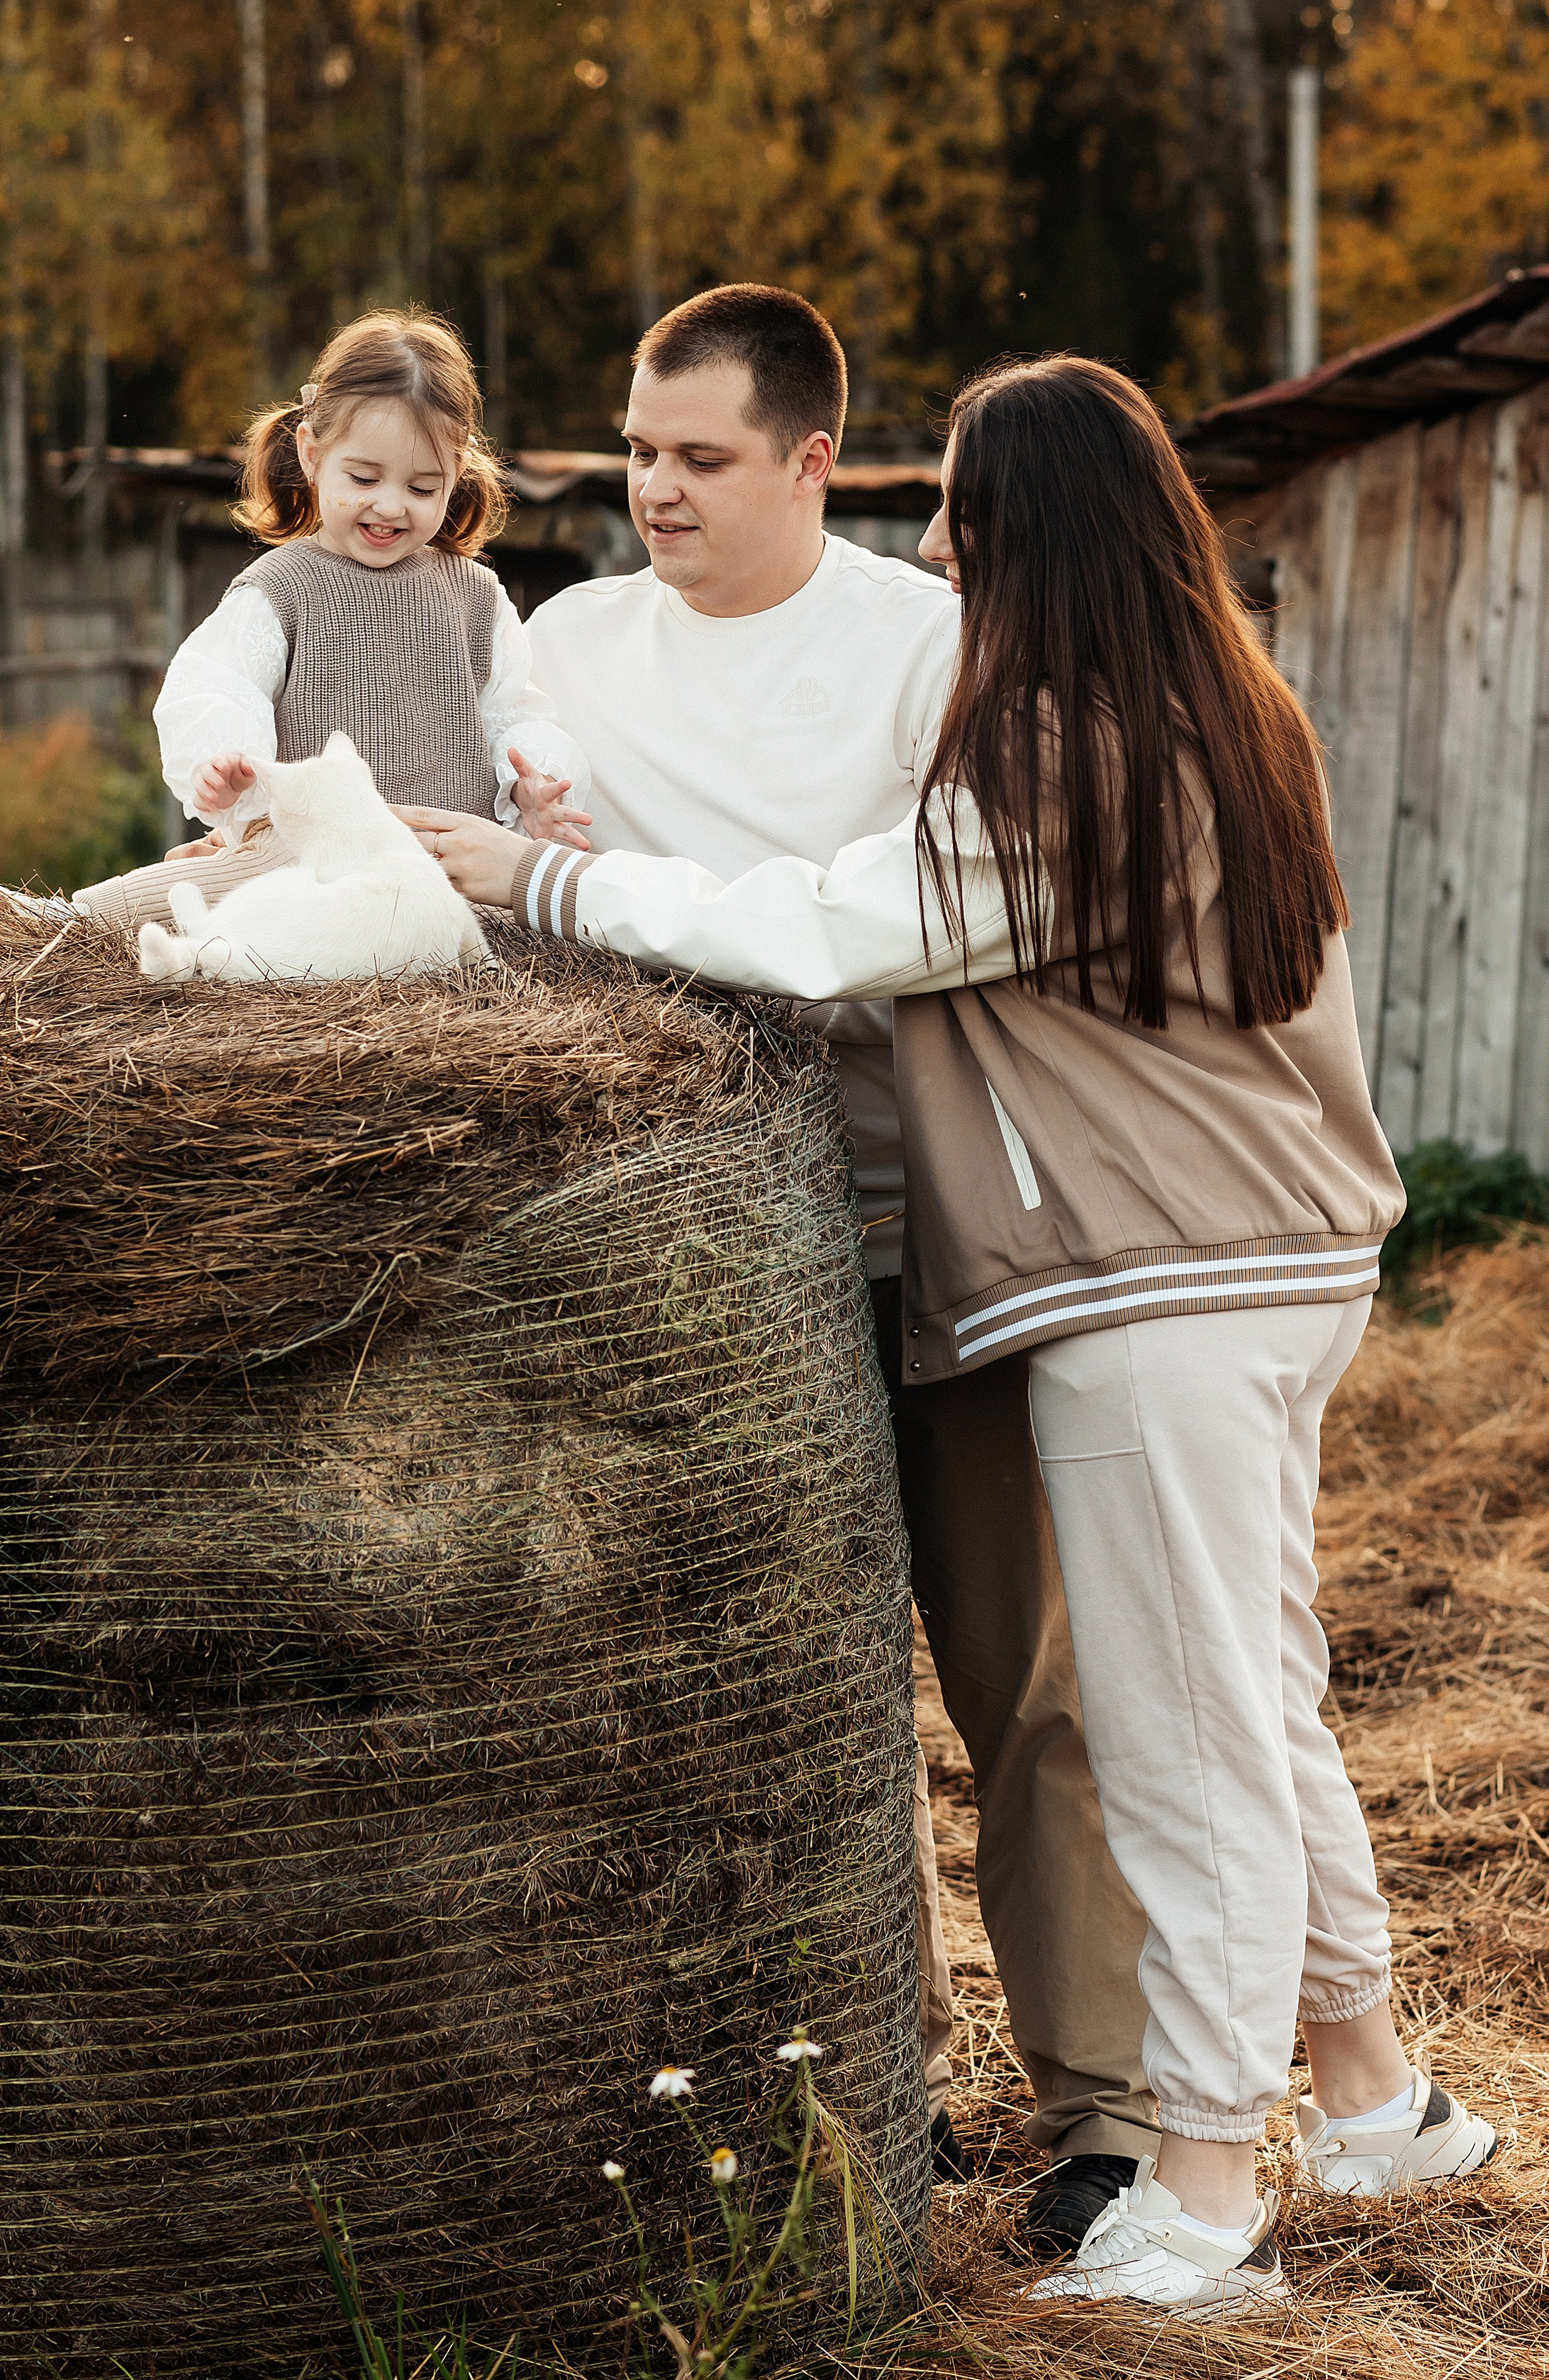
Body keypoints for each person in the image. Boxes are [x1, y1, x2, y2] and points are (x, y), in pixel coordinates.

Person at [408, 353, 1499, 2320]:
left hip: (1154, 1286)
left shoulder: (1068, 763)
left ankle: (1200, 2184)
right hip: (1279, 1266)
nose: (934, 545)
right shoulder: (1223, 709)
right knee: (1262, 1694)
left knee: (1180, 1746)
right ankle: (1372, 2094)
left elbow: (837, 927)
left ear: (1037, 534)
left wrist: (534, 873)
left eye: (965, 512)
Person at [462, 287, 1160, 2245]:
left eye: (698, 458)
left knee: (1017, 1683)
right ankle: (855, 2086)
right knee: (753, 1696)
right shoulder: (566, 642)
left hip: (925, 1223)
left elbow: (906, 921)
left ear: (813, 464)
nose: (653, 491)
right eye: (634, 451)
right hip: (679, 1267)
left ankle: (1105, 2115)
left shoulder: (931, 648)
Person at [74, 309, 588, 934]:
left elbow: (516, 715)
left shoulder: (476, 597)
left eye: (424, 488)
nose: (391, 505)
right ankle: (55, 921)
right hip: (309, 856)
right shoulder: (282, 590)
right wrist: (225, 763)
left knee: (540, 913)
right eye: (364, 477)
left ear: (457, 477)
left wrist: (528, 793)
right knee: (189, 893)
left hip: (443, 859)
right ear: (313, 454)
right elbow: (217, 686)